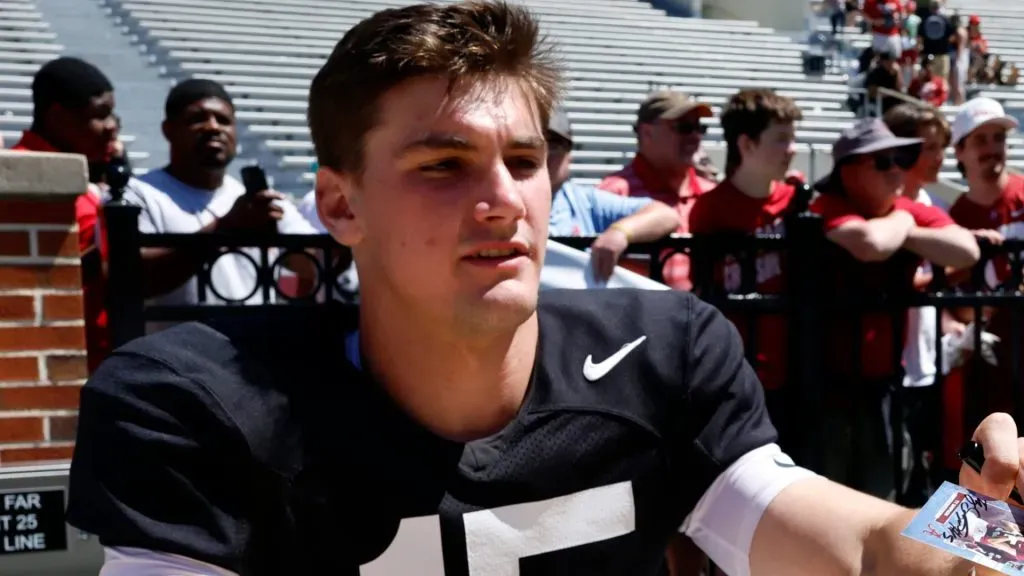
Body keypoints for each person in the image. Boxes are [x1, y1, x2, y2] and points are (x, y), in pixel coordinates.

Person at [67, 3, 1024, 576]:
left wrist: (983, 532)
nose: (500, 200)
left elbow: (855, 549)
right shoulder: (191, 404)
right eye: (443, 163)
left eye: (523, 159)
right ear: (339, 204)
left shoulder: (660, 352)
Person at [810, 118, 979, 500]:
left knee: (884, 494)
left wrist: (903, 227)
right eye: (884, 162)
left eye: (901, 159)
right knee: (829, 498)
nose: (898, 170)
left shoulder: (898, 209)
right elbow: (872, 244)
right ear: (850, 172)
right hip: (824, 385)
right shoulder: (829, 204)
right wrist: (905, 222)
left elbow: (966, 249)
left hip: (884, 381)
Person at [122, 79, 317, 317]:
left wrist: (277, 237)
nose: (214, 127)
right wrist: (224, 229)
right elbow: (132, 280)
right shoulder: (137, 194)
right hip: (178, 351)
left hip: (252, 348)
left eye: (224, 120)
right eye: (197, 119)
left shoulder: (256, 202)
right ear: (168, 130)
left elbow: (316, 267)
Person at [10, 56, 120, 374]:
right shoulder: (20, 178)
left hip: (88, 354)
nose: (112, 126)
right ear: (58, 117)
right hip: (49, 359)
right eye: (100, 114)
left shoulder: (86, 181)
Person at [948, 97, 1022, 425]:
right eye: (980, 140)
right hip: (990, 365)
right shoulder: (954, 218)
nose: (993, 148)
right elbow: (955, 303)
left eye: (999, 138)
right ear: (960, 151)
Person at [598, 91, 717, 290]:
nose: (695, 136)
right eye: (684, 127)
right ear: (647, 133)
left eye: (699, 128)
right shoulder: (613, 193)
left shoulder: (711, 195)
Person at [545, 108, 679, 281]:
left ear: (569, 155)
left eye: (553, 144)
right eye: (533, 144)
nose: (543, 153)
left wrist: (620, 232)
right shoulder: (502, 201)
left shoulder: (585, 201)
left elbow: (666, 215)